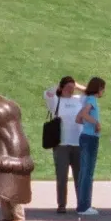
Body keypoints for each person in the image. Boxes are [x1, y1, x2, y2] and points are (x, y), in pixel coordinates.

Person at [44, 76, 86, 213]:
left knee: (79, 176)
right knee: (62, 176)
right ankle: (62, 204)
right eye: (68, 87)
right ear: (61, 88)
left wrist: (77, 85)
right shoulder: (56, 101)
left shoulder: (79, 99)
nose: (71, 89)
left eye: (72, 87)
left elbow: (92, 93)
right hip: (61, 144)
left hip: (78, 143)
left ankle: (82, 203)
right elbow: (47, 92)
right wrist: (60, 87)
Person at [74, 76, 106, 216]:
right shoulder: (92, 100)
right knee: (88, 172)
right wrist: (96, 123)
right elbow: (85, 114)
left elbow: (79, 118)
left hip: (84, 137)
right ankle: (85, 206)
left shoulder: (87, 99)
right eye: (103, 89)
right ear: (99, 89)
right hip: (90, 138)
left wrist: (87, 123)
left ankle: (82, 204)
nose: (103, 92)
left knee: (84, 171)